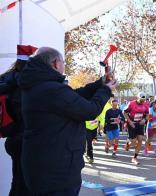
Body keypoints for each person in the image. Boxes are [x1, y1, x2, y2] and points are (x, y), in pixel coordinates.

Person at [18, 47, 116, 195]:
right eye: (63, 62)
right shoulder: (51, 89)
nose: (64, 65)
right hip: (56, 171)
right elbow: (90, 110)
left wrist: (100, 83)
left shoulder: (40, 85)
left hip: (45, 165)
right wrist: (106, 90)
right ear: (56, 63)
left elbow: (74, 96)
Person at [0, 45, 37, 196]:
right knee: (26, 185)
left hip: (12, 137)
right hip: (27, 139)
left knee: (18, 181)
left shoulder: (6, 79)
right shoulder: (28, 83)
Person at [123, 92, 149, 165]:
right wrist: (130, 122)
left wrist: (145, 120)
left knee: (140, 140)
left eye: (143, 100)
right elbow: (124, 113)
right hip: (132, 124)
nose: (142, 101)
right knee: (134, 142)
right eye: (141, 100)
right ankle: (128, 143)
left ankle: (134, 157)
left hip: (140, 124)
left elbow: (147, 115)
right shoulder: (131, 104)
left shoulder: (145, 105)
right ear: (137, 98)